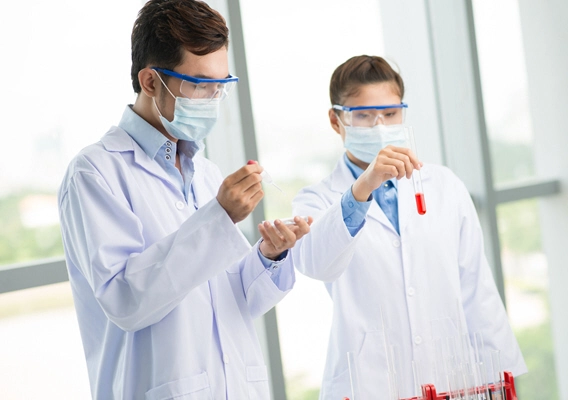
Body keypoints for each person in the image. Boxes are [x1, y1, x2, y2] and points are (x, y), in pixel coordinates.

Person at [57, 1, 313, 398]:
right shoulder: (95, 172)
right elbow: (126, 301)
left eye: (220, 85)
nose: (212, 97)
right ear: (151, 81)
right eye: (199, 84)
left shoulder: (206, 173)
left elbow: (232, 299)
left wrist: (268, 255)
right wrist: (218, 217)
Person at [291, 55, 527, 399]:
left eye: (390, 114)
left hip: (453, 379)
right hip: (369, 385)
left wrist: (501, 378)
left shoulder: (444, 185)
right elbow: (317, 264)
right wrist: (362, 188)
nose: (380, 126)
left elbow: (477, 290)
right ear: (335, 120)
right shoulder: (317, 200)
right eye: (363, 116)